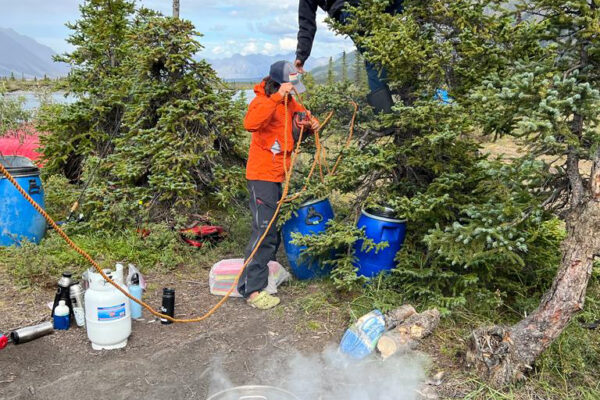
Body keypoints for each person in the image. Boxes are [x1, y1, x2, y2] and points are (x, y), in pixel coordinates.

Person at [238, 60, 320, 309]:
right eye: (290, 86)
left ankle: (265, 278)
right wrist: (276, 98)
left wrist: (310, 125)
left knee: (271, 230)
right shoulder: (264, 101)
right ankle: (251, 290)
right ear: (280, 83)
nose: (294, 91)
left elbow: (300, 117)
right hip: (261, 175)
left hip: (278, 174)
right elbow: (250, 124)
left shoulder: (290, 101)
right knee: (264, 231)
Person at [295, 0, 404, 114]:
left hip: (347, 11)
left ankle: (387, 116)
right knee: (374, 57)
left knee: (374, 57)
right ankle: (387, 115)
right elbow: (306, 22)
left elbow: (306, 22)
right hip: (349, 10)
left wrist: (301, 54)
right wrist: (301, 54)